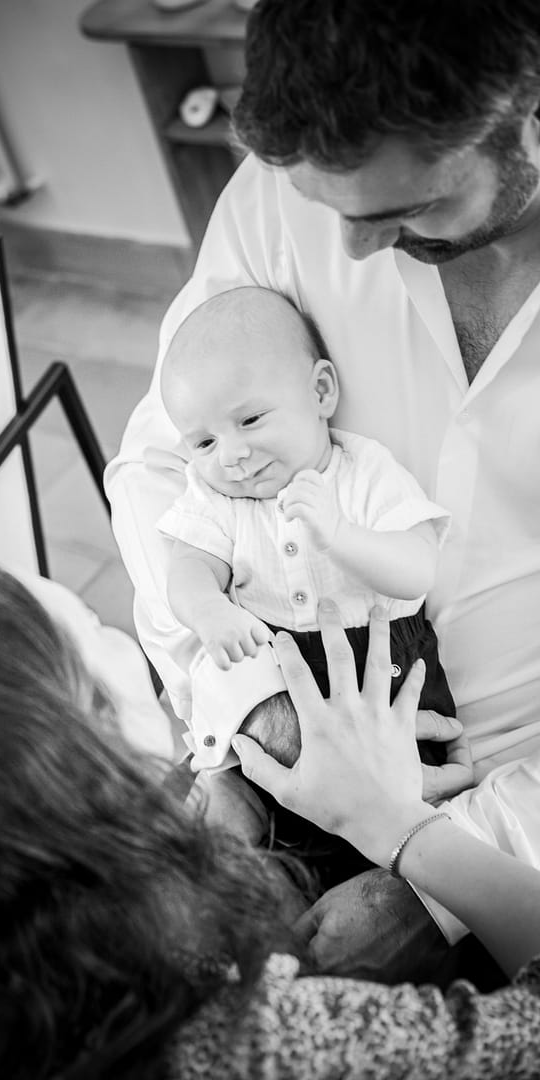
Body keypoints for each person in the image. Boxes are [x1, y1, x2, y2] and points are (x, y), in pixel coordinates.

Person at [105, 0, 540, 975]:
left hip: (516, 787)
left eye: (409, 207)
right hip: (277, 711)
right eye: (333, 211)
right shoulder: (293, 188)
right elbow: (167, 459)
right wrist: (236, 705)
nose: (347, 254)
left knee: (343, 994)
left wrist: (440, 863)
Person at [0, 554, 540, 1078]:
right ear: (90, 750)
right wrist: (401, 829)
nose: (126, 637)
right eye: (98, 633)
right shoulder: (251, 1043)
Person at [158, 285, 452, 780]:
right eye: (204, 442)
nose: (231, 455)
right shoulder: (221, 499)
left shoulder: (362, 473)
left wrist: (339, 536)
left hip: (384, 671)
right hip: (278, 676)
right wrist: (210, 610)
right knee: (249, 776)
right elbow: (188, 566)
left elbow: (418, 570)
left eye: (250, 419)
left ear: (320, 392)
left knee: (402, 780)